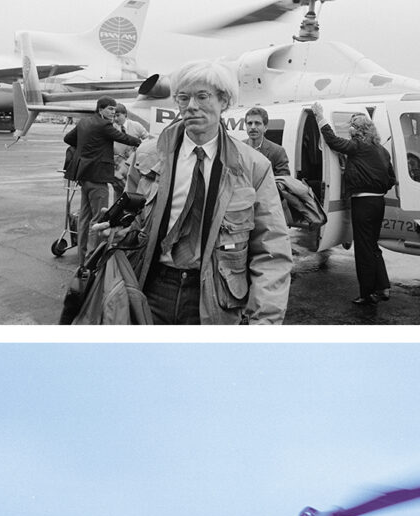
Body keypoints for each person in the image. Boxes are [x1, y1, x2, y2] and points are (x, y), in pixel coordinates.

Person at [116, 60, 292, 325]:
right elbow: (128, 220)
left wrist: (264, 322)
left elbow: (271, 250)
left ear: (224, 101)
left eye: (202, 96)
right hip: (151, 287)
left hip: (215, 296)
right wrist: (115, 230)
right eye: (183, 98)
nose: (192, 106)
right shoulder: (148, 156)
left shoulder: (254, 166)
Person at [310, 101, 395, 308]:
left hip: (363, 203)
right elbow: (391, 179)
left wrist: (320, 116)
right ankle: (383, 286)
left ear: (359, 131)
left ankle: (366, 293)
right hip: (378, 202)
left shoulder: (358, 147)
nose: (351, 129)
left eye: (353, 126)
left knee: (364, 250)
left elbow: (332, 141)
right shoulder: (381, 151)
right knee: (372, 245)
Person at [64, 96, 142, 265]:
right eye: (110, 109)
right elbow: (124, 138)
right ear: (100, 109)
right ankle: (92, 259)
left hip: (83, 175)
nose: (113, 112)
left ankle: (82, 256)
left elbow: (68, 139)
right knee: (99, 219)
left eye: (115, 109)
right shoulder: (104, 125)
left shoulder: (84, 122)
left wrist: (86, 147)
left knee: (85, 217)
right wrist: (142, 142)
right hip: (98, 176)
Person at [244, 107, 291, 177]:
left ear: (265, 127)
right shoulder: (238, 148)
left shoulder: (278, 152)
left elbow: (284, 180)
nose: (253, 127)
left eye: (257, 123)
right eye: (250, 123)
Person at [112, 103, 148, 194]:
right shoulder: (111, 128)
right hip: (118, 168)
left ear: (125, 114)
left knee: (133, 193)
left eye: (118, 115)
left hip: (134, 166)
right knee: (118, 194)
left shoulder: (136, 126)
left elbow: (147, 140)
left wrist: (137, 150)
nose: (115, 119)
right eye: (114, 116)